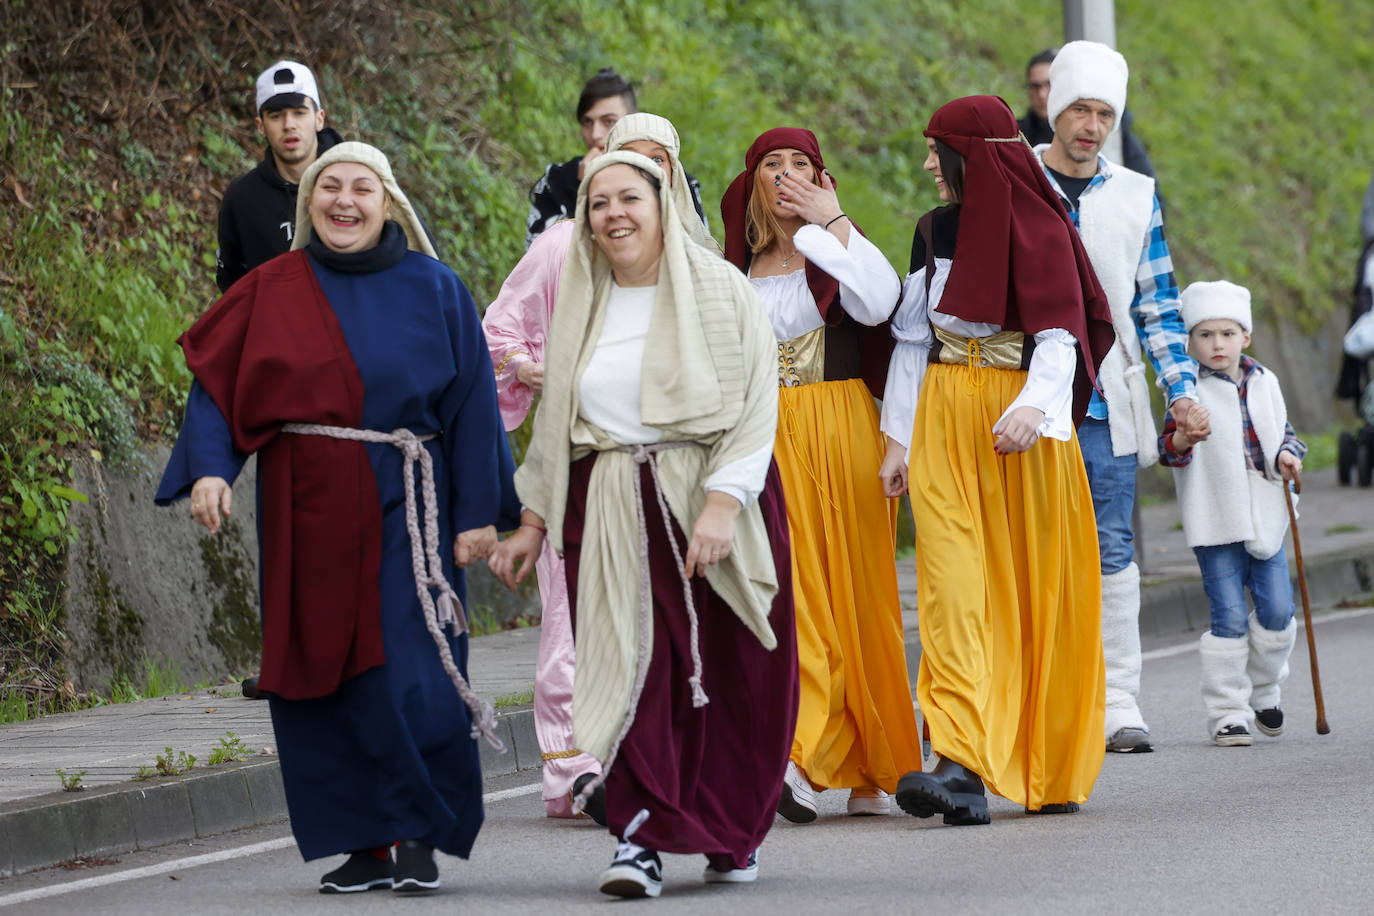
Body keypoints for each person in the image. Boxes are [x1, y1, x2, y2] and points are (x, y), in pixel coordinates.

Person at [156, 142, 519, 894]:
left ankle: (420, 829)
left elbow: (474, 407)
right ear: (308, 202)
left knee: (412, 671)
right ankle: (362, 842)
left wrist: (481, 514)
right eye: (330, 187)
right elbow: (217, 388)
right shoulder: (271, 288)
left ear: (388, 202)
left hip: (407, 508)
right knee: (317, 675)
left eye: (361, 187)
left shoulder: (437, 288)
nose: (343, 200)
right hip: (305, 512)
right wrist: (213, 469)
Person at [490, 151, 797, 899]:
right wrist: (532, 520)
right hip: (613, 508)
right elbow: (559, 420)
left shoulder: (721, 290)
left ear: (664, 206)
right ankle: (638, 837)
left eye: (631, 198)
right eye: (599, 204)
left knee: (733, 676)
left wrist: (723, 503)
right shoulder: (584, 302)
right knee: (630, 672)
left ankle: (732, 828)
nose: (615, 215)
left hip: (703, 499)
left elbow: (758, 404)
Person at [879, 95, 1115, 824]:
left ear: (970, 157)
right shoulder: (932, 231)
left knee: (1033, 591)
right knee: (953, 591)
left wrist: (1034, 407)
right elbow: (915, 342)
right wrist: (897, 439)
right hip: (948, 419)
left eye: (936, 151)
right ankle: (958, 762)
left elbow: (1060, 334)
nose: (926, 166)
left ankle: (1046, 756)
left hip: (1021, 429)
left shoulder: (1041, 225)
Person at [482, 111, 716, 822]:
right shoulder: (560, 247)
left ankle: (661, 765)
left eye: (658, 163)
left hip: (674, 468)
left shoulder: (697, 260)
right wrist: (533, 366)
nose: (641, 177)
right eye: (627, 160)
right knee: (571, 617)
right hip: (581, 459)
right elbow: (497, 328)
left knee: (671, 620)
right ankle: (573, 770)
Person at [720, 128, 920, 821]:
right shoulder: (734, 265)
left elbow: (880, 304)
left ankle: (873, 761)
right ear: (751, 183)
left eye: (799, 166)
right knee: (795, 592)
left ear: (822, 177)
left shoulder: (833, 248)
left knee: (861, 595)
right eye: (771, 166)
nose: (785, 176)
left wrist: (829, 221)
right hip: (765, 435)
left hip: (841, 426)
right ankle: (801, 754)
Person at [1035, 40, 1202, 753]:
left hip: (1106, 401)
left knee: (1112, 547)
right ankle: (1045, 698)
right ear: (1053, 108)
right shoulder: (1016, 183)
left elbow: (1158, 308)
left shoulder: (1137, 194)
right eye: (1079, 109)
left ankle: (1118, 699)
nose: (1092, 125)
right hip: (1028, 401)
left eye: (1105, 113)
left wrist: (1183, 391)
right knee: (1036, 550)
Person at [1158, 281, 1304, 746]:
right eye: (1204, 335)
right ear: (1188, 342)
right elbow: (1170, 453)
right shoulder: (1186, 392)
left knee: (1278, 610)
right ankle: (1228, 710)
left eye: (1226, 333)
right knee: (1228, 617)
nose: (1216, 344)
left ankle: (1264, 689)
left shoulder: (1266, 381)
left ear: (1246, 337)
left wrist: (1288, 456)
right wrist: (1184, 438)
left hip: (1267, 513)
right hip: (1215, 518)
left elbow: (1286, 433)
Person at [524, 68, 707, 247]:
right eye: (587, 122)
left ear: (631, 121)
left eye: (608, 121)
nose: (596, 134)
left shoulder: (678, 181)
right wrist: (584, 188)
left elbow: (697, 242)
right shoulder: (558, 179)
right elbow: (539, 253)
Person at [215, 59, 343, 293]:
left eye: (299, 113)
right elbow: (230, 280)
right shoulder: (242, 198)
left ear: (319, 118)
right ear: (260, 125)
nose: (289, 125)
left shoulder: (355, 183)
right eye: (276, 116)